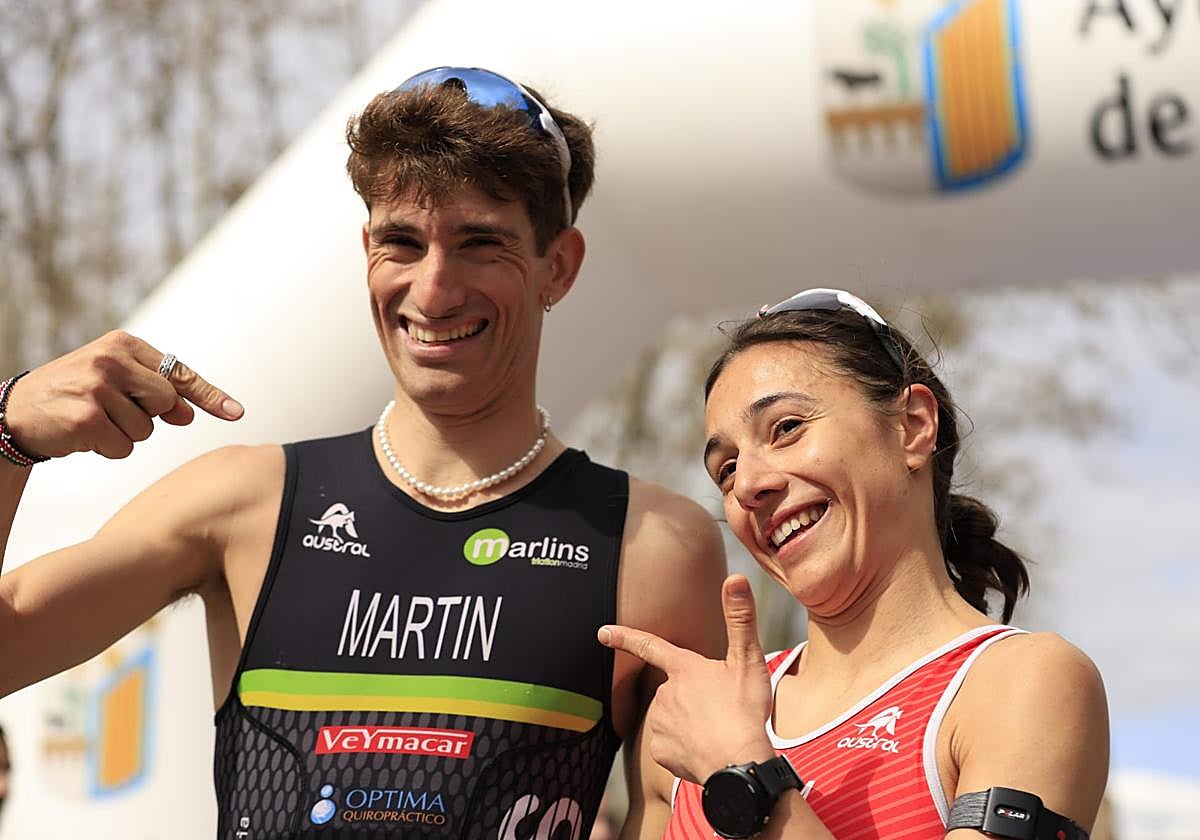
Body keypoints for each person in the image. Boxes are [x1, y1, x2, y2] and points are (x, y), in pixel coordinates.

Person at [0, 67, 727, 838]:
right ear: (367, 251)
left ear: (560, 266)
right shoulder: (245, 504)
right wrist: (7, 431)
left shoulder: (654, 546)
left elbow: (679, 820)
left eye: (481, 243)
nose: (434, 290)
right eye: (402, 243)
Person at [600, 288, 1109, 838]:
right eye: (726, 469)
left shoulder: (1021, 682)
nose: (747, 485)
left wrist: (740, 773)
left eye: (786, 428)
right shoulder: (686, 726)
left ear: (913, 426)